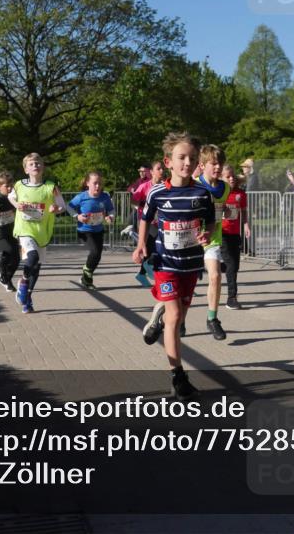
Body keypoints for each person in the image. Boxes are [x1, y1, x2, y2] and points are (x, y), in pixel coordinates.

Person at [132, 132, 214, 400]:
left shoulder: (202, 193)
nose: (187, 162)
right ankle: (178, 376)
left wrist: (207, 234)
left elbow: (210, 223)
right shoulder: (157, 192)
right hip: (165, 264)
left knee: (178, 322)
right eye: (181, 157)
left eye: (192, 158)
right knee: (176, 316)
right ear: (169, 162)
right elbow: (145, 218)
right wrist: (141, 244)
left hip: (190, 265)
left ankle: (159, 316)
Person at [9, 153, 77, 314]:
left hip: (42, 231)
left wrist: (56, 209)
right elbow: (10, 196)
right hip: (24, 229)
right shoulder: (19, 185)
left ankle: (28, 298)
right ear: (26, 169)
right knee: (32, 258)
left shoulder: (51, 187)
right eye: (31, 164)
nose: (35, 166)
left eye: (38, 163)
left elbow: (62, 206)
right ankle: (23, 282)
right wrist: (17, 204)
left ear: (43, 167)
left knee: (36, 267)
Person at [197, 145, 232, 339]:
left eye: (220, 163)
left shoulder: (225, 187)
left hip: (212, 239)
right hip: (190, 240)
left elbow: (223, 208)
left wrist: (225, 211)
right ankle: (180, 320)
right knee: (188, 283)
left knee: (216, 276)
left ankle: (212, 319)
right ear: (202, 165)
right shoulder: (193, 184)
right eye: (213, 163)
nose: (218, 167)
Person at [68, 171, 116, 288]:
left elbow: (111, 210)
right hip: (84, 231)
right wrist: (77, 216)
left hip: (98, 230)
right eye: (95, 183)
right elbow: (69, 207)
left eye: (100, 183)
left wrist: (110, 217)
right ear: (87, 183)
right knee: (94, 252)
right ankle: (87, 274)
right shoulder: (81, 197)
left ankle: (86, 277)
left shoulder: (105, 196)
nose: (98, 186)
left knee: (98, 255)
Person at [221, 163, 250, 310]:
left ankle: (218, 265)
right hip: (222, 234)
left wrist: (246, 225)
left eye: (233, 175)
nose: (231, 178)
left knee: (235, 266)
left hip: (235, 234)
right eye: (228, 176)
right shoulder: (219, 193)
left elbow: (244, 211)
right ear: (221, 178)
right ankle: (231, 298)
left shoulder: (240, 194)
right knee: (231, 266)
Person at [131, 160, 164, 287]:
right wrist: (142, 204)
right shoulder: (145, 186)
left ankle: (141, 274)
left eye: (162, 169)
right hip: (146, 221)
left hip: (159, 220)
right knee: (156, 244)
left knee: (149, 248)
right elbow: (132, 200)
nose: (162, 171)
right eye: (159, 168)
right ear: (151, 172)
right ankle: (151, 269)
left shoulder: (164, 186)